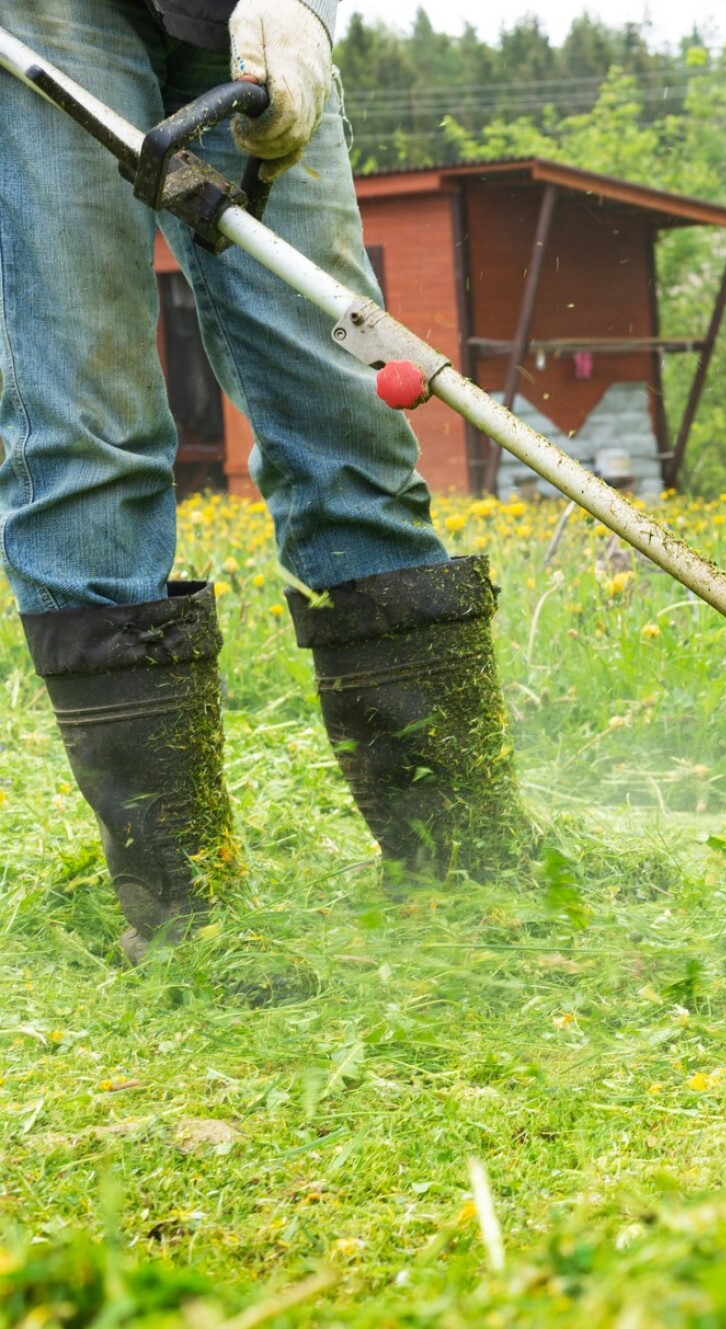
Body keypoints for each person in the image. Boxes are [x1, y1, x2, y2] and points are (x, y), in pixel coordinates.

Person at [0, 0, 527, 962]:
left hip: (242, 20)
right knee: (88, 408)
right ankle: (187, 916)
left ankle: (471, 866)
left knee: (343, 402)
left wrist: (304, 10)